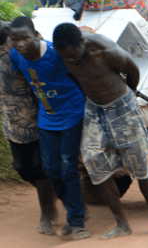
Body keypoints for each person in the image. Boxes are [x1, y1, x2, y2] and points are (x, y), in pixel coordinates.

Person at [52, 23, 148, 240]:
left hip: (122, 106)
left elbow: (132, 71)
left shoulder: (104, 49)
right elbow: (75, 77)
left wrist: (127, 95)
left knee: (140, 165)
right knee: (94, 163)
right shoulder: (63, 54)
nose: (71, 60)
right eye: (66, 57)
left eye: (74, 55)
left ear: (83, 42)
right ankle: (122, 223)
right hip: (94, 109)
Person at [8, 17, 90, 240]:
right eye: (15, 40)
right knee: (51, 170)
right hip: (47, 118)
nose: (20, 44)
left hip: (72, 114)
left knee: (68, 168)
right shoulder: (16, 56)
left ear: (36, 35)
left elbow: (78, 78)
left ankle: (77, 222)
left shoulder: (55, 54)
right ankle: (78, 209)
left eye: (25, 38)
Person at [0, 22, 57, 235]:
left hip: (37, 112)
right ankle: (58, 192)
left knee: (38, 167)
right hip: (11, 117)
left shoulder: (15, 37)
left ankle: (47, 214)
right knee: (21, 168)